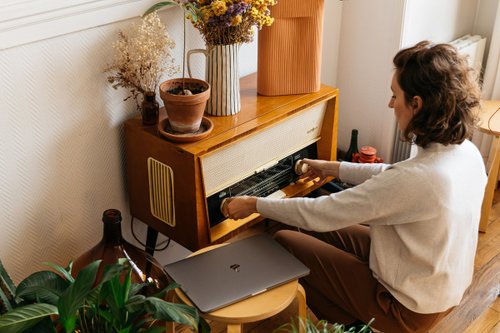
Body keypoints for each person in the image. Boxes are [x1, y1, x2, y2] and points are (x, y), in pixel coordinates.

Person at [221, 41, 487, 333]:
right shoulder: (465, 153)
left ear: (417, 104)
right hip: (435, 284)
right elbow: (395, 175)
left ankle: (356, 325)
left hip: (405, 309)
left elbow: (324, 212)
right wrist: (335, 167)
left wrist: (253, 205)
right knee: (302, 229)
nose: (390, 104)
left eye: (394, 95)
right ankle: (353, 311)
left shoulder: (419, 180)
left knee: (286, 239)